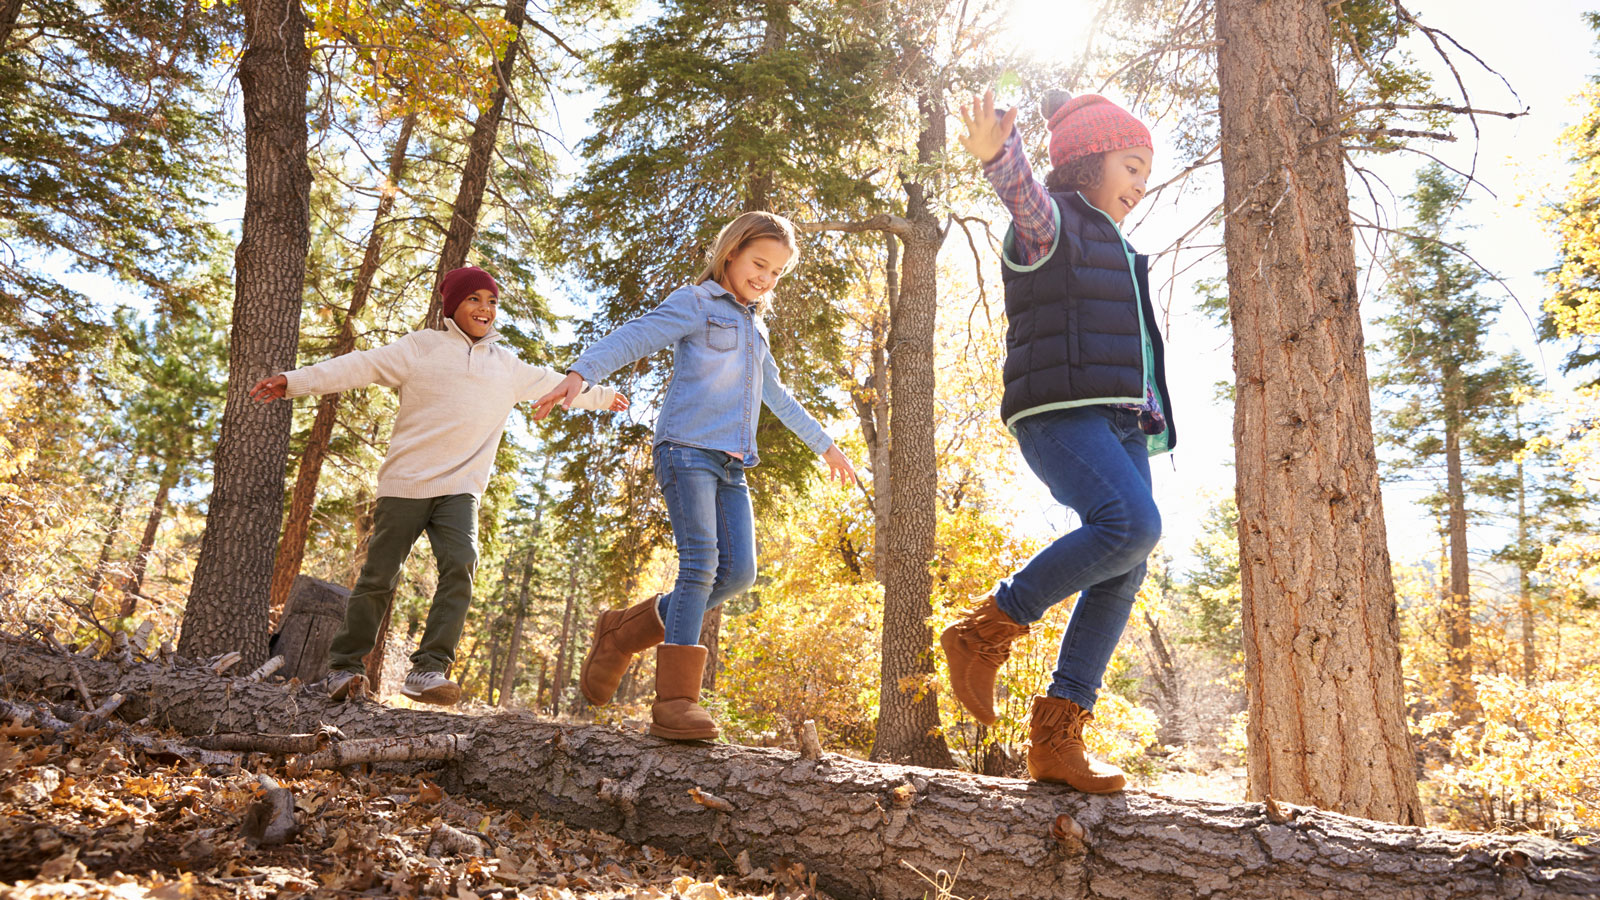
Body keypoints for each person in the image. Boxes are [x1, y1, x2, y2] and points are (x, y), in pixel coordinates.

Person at [535, 211, 856, 741]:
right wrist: (580, 373)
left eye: (777, 273)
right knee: (701, 563)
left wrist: (826, 445)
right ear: (730, 252)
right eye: (759, 264)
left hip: (732, 463)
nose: (765, 279)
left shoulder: (756, 327)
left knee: (739, 574)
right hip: (686, 449)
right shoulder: (697, 303)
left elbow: (776, 395)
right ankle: (676, 701)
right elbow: (636, 336)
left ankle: (621, 632)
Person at [249, 265, 627, 705]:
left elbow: (557, 384)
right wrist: (293, 381)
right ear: (453, 305)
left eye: (492, 301)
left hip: (460, 487)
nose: (484, 309)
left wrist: (600, 397)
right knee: (378, 578)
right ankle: (344, 668)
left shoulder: (507, 365)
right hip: (406, 483)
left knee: (461, 562)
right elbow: (360, 365)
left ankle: (428, 669)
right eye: (474, 299)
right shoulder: (421, 348)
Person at [941, 89, 1177, 792]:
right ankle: (986, 629)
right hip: (1059, 413)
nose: (1141, 184)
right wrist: (999, 156)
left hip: (1121, 421)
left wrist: (1151, 412)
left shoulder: (1121, 247)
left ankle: (1057, 738)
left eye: (1147, 172)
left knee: (1126, 562)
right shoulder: (1055, 225)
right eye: (1131, 166)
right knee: (1131, 523)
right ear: (1085, 164)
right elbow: (1023, 199)